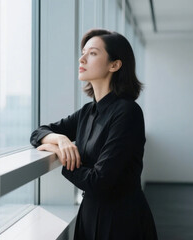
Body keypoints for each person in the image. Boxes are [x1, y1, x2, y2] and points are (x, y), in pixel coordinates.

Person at [30, 29, 158, 240]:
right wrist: (60, 140)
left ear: (114, 65)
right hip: (90, 213)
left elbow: (99, 181)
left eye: (93, 53)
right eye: (83, 52)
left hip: (122, 221)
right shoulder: (87, 112)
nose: (82, 58)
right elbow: (38, 132)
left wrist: (62, 155)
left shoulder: (128, 112)